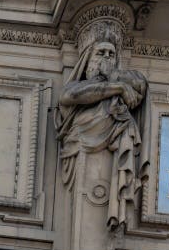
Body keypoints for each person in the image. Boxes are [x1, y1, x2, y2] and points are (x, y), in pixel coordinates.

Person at [56, 30, 148, 234]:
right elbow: (70, 95)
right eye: (101, 53)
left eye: (111, 54)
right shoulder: (79, 86)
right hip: (80, 146)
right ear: (88, 57)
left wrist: (116, 79)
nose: (107, 58)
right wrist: (118, 88)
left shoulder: (123, 83)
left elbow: (140, 84)